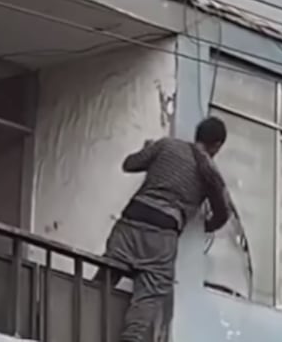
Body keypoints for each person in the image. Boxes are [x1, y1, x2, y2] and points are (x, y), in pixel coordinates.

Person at [98, 116, 231, 342]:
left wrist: (147, 149)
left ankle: (65, 320)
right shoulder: (211, 173)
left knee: (105, 277)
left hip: (131, 220)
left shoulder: (168, 145)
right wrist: (205, 226)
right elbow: (223, 214)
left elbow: (129, 164)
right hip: (162, 233)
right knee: (149, 294)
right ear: (217, 145)